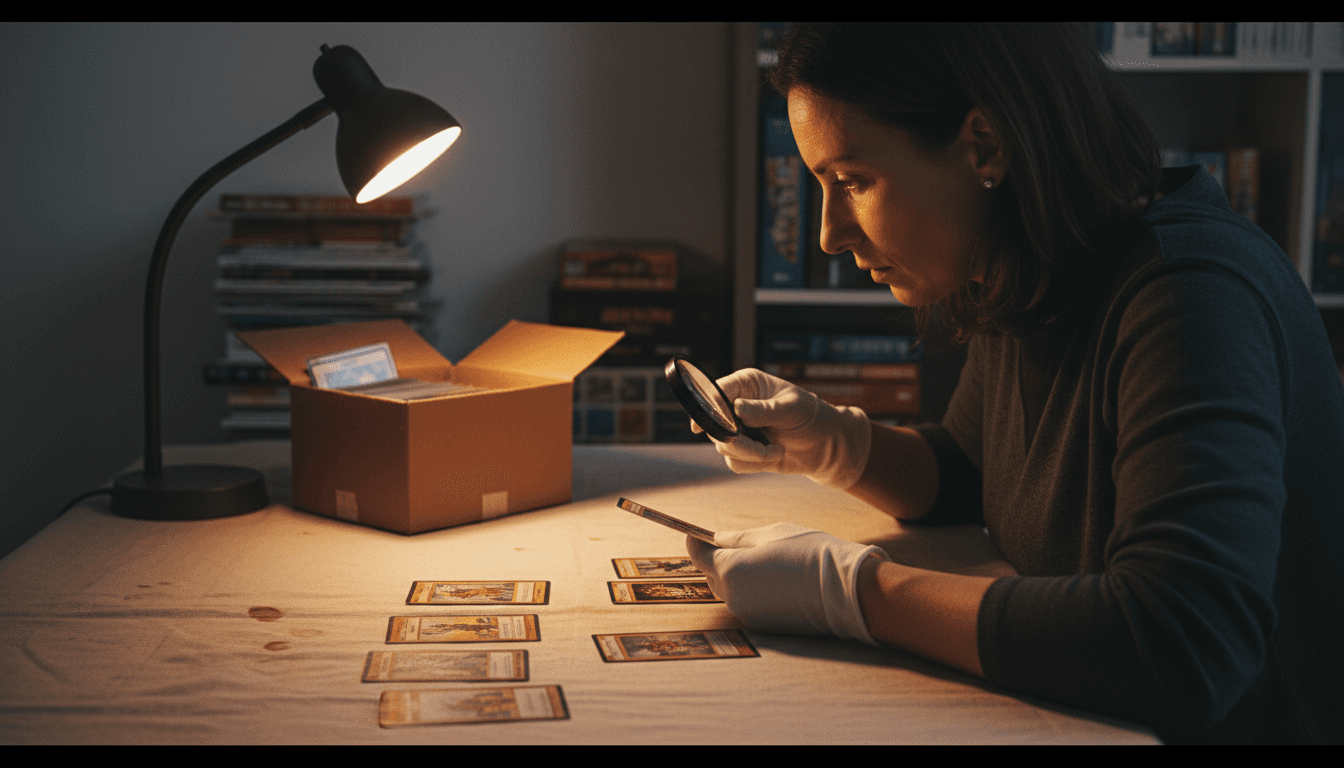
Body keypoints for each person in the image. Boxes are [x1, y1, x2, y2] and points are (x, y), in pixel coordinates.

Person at [686, 22, 1344, 744]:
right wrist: (832, 443)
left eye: (851, 181)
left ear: (986, 145)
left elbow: (1184, 642)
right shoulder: (1032, 266)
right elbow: (972, 470)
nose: (828, 235)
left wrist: (852, 593)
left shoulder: (1189, 296)